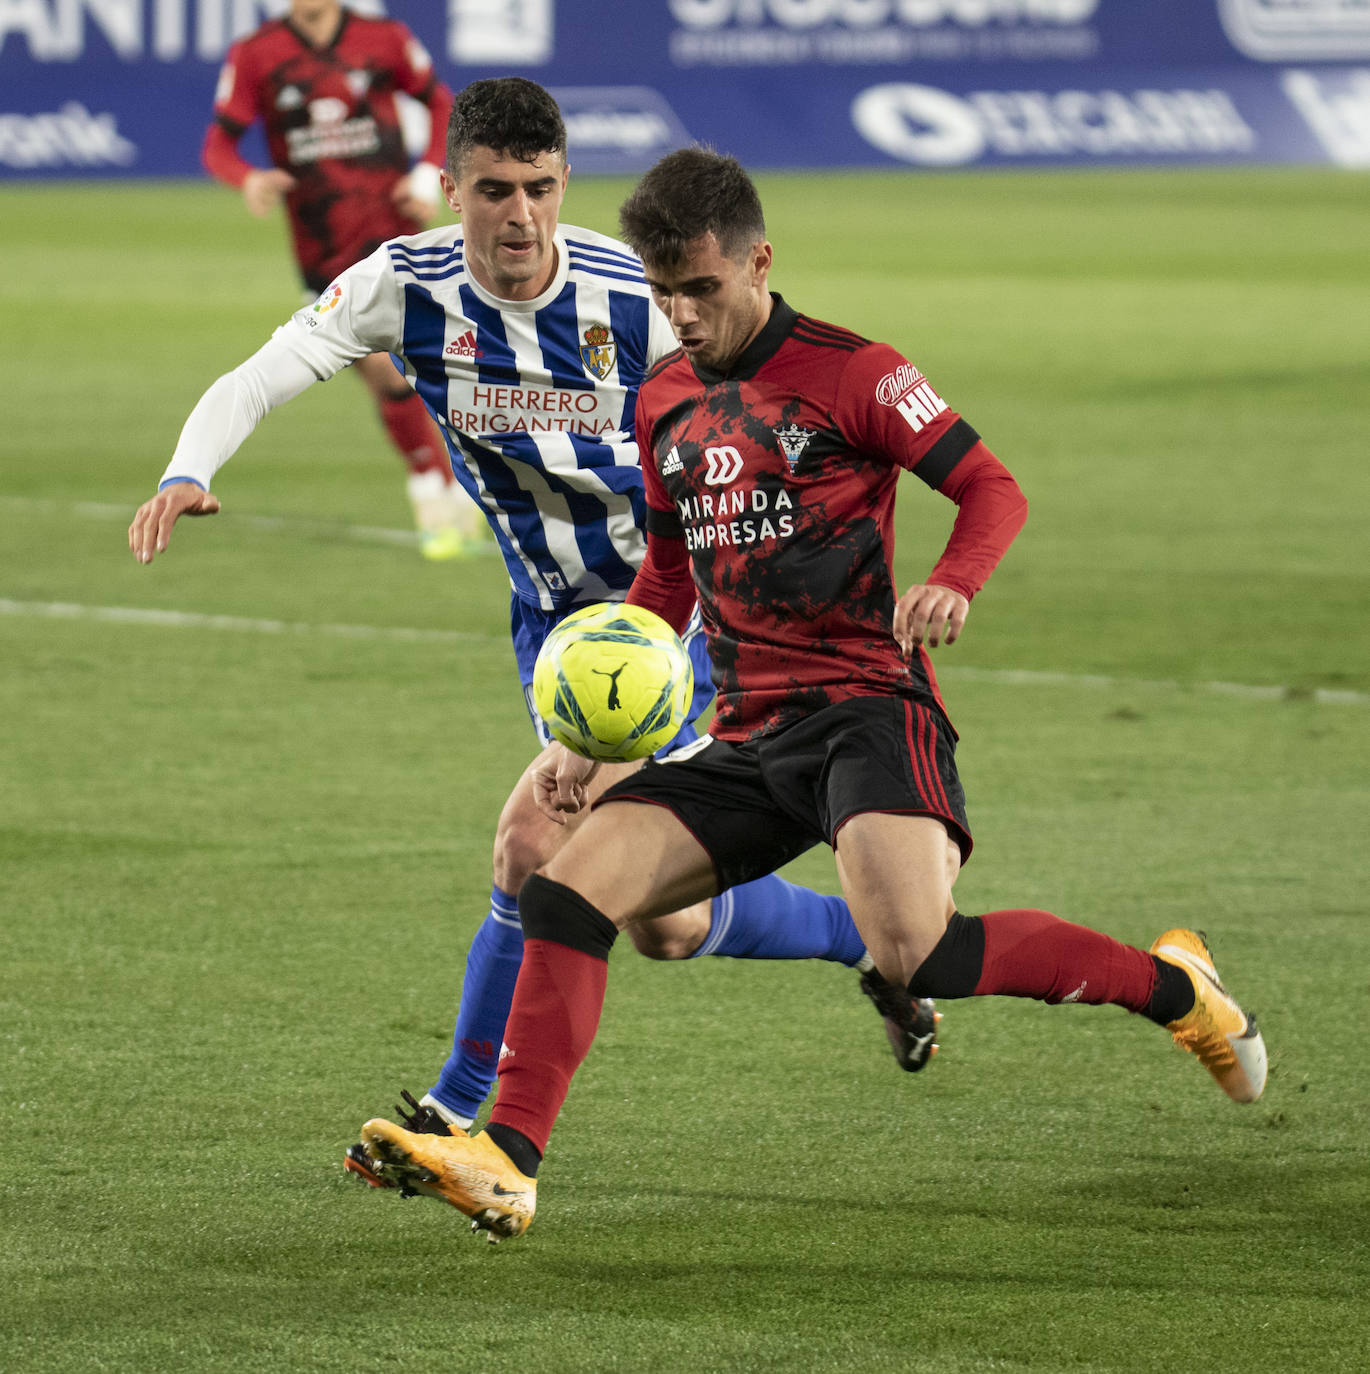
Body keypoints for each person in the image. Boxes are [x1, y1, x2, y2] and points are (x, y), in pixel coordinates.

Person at [356, 147, 1269, 1244]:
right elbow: (664, 576)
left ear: (756, 263)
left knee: (916, 955)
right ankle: (504, 1160)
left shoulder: (855, 372)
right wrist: (590, 733)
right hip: (743, 727)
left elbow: (989, 486)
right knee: (567, 882)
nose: (682, 316)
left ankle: (1174, 989)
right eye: (663, 294)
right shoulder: (661, 402)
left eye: (701, 289)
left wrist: (951, 579)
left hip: (864, 709)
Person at [128, 81, 936, 1170]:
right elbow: (263, 373)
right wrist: (187, 470)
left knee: (530, 843)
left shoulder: (629, 291)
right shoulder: (400, 287)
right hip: (551, 624)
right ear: (448, 188)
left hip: (681, 607)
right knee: (667, 924)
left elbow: (765, 387)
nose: (522, 217)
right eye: (496, 191)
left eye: (543, 189)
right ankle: (880, 950)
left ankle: (458, 1113)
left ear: (564, 186)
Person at [203, 0, 480, 559]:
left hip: (399, 233)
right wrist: (248, 178)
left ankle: (460, 487)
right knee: (382, 371)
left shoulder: (384, 38)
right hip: (323, 245)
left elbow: (441, 102)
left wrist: (428, 173)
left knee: (444, 363)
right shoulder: (258, 55)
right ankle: (431, 488)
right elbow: (219, 144)